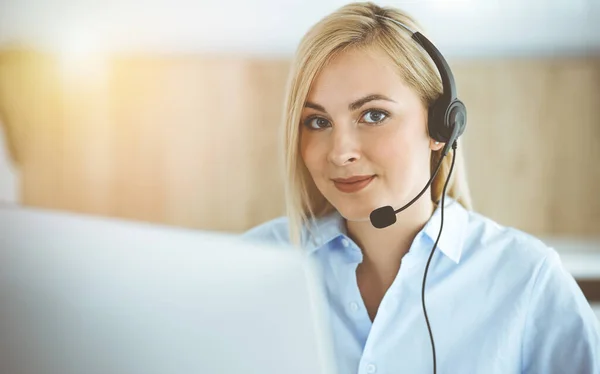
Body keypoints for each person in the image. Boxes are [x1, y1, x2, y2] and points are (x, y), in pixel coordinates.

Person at [241, 2, 600, 373]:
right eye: (317, 122)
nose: (341, 151)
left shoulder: (528, 280)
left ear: (440, 128)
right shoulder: (247, 269)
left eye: (373, 115)